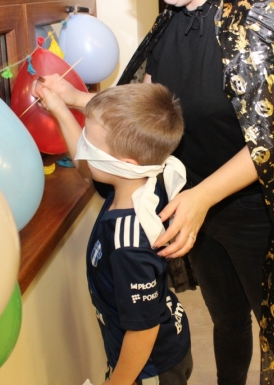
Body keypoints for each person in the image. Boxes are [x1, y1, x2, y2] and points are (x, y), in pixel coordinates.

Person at [39, 0, 274, 383]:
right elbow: (147, 105)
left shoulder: (261, 17)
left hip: (253, 212)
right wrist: (75, 99)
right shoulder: (173, 15)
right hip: (192, 204)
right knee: (227, 319)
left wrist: (202, 197)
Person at [36, 82, 192, 385]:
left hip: (150, 368)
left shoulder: (128, 245)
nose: (83, 147)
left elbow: (143, 332)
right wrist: (59, 109)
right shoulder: (142, 182)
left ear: (125, 164)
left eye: (90, 143)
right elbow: (87, 167)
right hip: (156, 347)